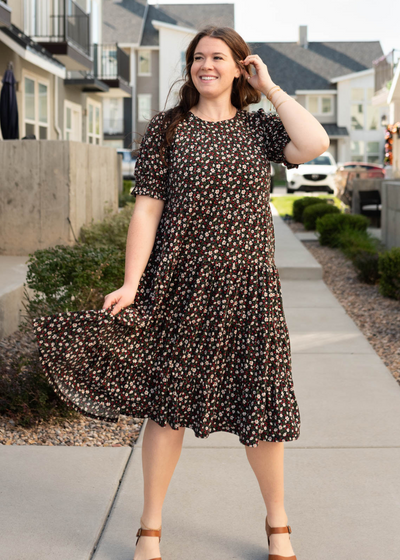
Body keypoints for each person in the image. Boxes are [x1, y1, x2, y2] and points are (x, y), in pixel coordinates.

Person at [33, 25, 329, 560]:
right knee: (166, 409)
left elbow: (314, 143)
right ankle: (150, 527)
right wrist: (131, 283)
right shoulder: (167, 130)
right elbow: (147, 209)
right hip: (179, 286)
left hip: (249, 290)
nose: (205, 65)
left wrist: (272, 89)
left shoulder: (260, 130)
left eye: (218, 57)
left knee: (261, 407)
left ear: (241, 67)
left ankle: (278, 524)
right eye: (198, 57)